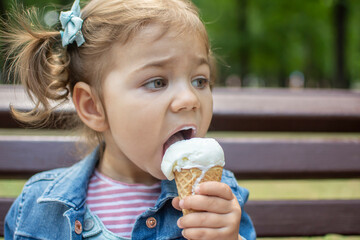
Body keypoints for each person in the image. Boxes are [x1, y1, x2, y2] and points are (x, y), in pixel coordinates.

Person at [1, 0, 256, 239]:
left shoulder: (219, 200)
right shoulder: (40, 207)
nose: (189, 99)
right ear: (93, 107)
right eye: (157, 82)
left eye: (199, 80)